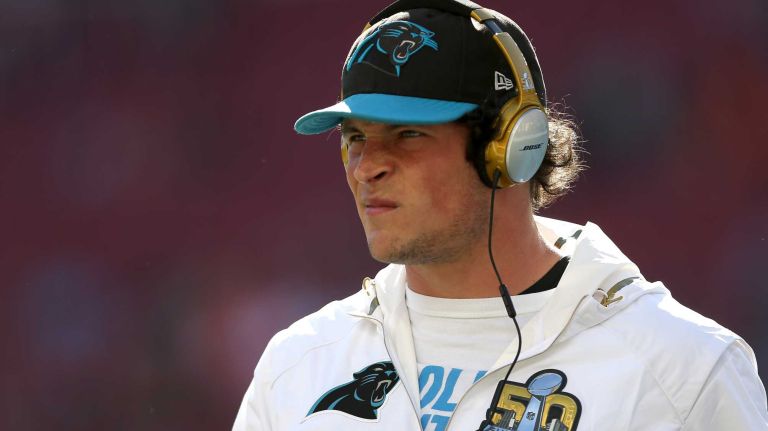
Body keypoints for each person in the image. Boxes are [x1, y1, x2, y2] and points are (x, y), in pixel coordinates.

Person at [233, 0, 768, 429]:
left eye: (408, 135)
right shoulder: (297, 364)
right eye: (355, 138)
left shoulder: (684, 371)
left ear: (512, 146)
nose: (366, 166)